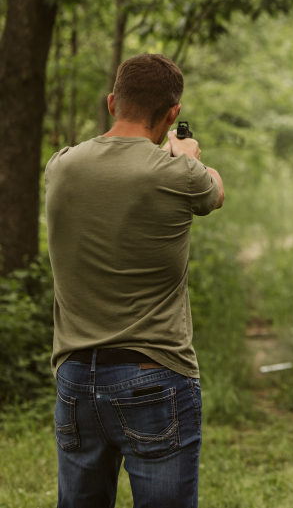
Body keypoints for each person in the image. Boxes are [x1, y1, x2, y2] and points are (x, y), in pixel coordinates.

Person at [45, 53, 225, 508]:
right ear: (172, 115)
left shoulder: (60, 166)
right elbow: (215, 192)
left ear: (112, 103)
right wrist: (186, 155)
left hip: (74, 377)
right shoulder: (179, 174)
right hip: (153, 373)